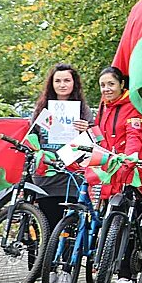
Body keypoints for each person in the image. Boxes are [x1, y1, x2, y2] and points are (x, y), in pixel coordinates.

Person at [93, 66, 142, 283]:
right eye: (103, 85)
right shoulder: (103, 109)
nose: (106, 89)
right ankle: (107, 268)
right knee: (110, 226)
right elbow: (100, 137)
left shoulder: (131, 107)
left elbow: (134, 139)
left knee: (128, 229)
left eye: (111, 84)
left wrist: (128, 159)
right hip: (110, 175)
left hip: (132, 175)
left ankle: (127, 279)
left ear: (122, 86)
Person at [29, 64, 92, 231]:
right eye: (57, 81)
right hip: (45, 175)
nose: (62, 84)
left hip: (70, 176)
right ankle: (40, 258)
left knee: (67, 230)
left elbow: (93, 142)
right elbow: (31, 136)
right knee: (45, 226)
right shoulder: (42, 109)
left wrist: (86, 131)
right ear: (51, 84)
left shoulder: (83, 110)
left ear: (74, 83)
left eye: (66, 80)